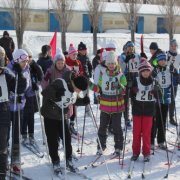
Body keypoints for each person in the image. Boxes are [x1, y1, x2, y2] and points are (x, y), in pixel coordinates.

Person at [41, 71, 88, 176]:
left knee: (67, 138)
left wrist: (84, 101)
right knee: (53, 140)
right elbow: (45, 92)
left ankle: (68, 160)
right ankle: (55, 162)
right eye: (79, 89)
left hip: (62, 116)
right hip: (50, 116)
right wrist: (56, 94)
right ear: (75, 84)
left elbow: (71, 101)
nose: (79, 91)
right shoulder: (60, 83)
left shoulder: (75, 92)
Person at [89, 51, 127, 156]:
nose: (111, 65)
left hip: (117, 107)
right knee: (102, 127)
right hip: (105, 106)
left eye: (113, 63)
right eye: (109, 63)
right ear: (106, 64)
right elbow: (98, 88)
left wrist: (120, 88)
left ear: (116, 64)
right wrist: (89, 84)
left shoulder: (120, 75)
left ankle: (118, 147)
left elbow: (124, 89)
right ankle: (101, 146)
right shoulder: (103, 75)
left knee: (117, 127)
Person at [0, 47, 26, 180]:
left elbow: (20, 87)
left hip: (4, 111)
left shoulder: (6, 74)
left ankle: (2, 172)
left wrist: (20, 74)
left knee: (2, 145)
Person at [6, 49, 30, 174]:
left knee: (16, 134)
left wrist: (31, 91)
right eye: (23, 61)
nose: (25, 63)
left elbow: (28, 85)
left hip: (20, 107)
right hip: (6, 108)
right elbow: (8, 88)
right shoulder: (8, 70)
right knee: (4, 134)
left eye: (26, 61)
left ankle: (15, 161)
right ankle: (3, 160)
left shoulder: (26, 69)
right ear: (16, 60)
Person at [130, 58, 157, 162]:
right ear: (140, 72)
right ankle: (135, 152)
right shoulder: (136, 80)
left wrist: (156, 92)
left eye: (147, 71)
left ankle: (146, 153)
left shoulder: (154, 81)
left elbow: (159, 96)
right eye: (143, 71)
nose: (146, 73)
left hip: (149, 112)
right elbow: (131, 95)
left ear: (150, 71)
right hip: (137, 111)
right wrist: (132, 90)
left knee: (146, 133)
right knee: (136, 133)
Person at [21, 46, 44, 145]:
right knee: (24, 116)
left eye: (30, 56)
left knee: (31, 116)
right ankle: (24, 135)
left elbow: (41, 77)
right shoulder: (22, 67)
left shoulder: (35, 66)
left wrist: (36, 84)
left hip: (33, 95)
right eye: (27, 57)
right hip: (23, 96)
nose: (28, 59)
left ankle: (31, 134)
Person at [151, 52, 173, 149]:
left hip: (166, 99)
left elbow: (174, 81)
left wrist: (175, 74)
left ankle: (161, 141)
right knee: (155, 121)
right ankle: (151, 141)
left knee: (163, 121)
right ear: (158, 61)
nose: (163, 62)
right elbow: (151, 82)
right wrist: (154, 86)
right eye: (161, 60)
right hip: (157, 100)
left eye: (164, 60)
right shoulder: (155, 70)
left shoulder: (169, 70)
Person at [65, 43, 84, 135]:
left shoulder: (78, 62)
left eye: (76, 54)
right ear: (69, 55)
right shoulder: (66, 62)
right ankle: (66, 123)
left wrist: (79, 76)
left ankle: (72, 124)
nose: (75, 56)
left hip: (75, 87)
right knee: (68, 106)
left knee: (74, 105)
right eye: (73, 54)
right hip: (67, 87)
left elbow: (81, 72)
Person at [166, 39, 180, 126]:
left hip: (174, 78)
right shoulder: (167, 54)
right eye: (172, 46)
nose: (174, 47)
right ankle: (164, 116)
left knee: (173, 98)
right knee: (166, 97)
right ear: (170, 46)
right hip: (167, 78)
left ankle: (171, 117)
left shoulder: (178, 55)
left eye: (175, 46)